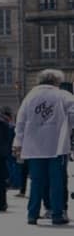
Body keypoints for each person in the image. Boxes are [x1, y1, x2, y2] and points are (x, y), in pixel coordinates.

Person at [13, 69, 74, 225]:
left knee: (36, 181)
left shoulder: (30, 97)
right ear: (56, 81)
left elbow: (20, 121)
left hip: (34, 147)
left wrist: (18, 143)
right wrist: (67, 128)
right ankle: (57, 214)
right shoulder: (63, 95)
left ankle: (32, 214)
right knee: (57, 181)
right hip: (57, 146)